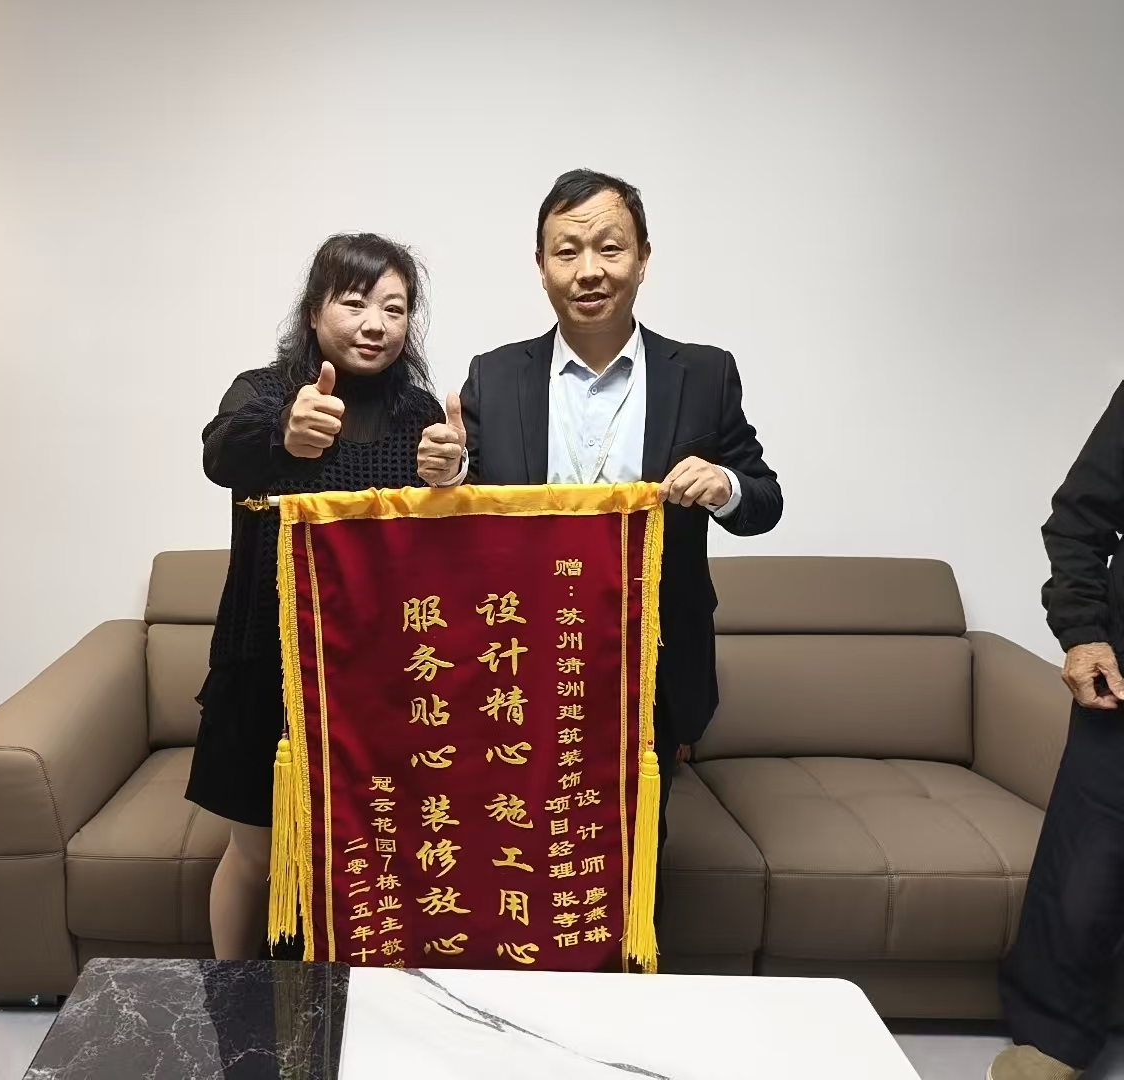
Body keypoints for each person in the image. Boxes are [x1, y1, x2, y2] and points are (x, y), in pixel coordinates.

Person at [416, 168, 782, 844]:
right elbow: (468, 508)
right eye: (567, 251)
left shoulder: (704, 374)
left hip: (651, 662)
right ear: (541, 266)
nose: (589, 270)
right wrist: (450, 473)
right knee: (516, 839)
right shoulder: (495, 375)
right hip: (520, 657)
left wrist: (725, 485)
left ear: (643, 259)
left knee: (635, 844)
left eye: (610, 248)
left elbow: (765, 499)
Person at [186, 233, 445, 960]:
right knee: (256, 853)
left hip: (381, 676)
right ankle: (232, 997)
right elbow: (220, 453)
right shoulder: (265, 393)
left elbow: (443, 545)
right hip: (266, 666)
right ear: (313, 311)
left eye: (394, 309)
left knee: (375, 851)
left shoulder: (419, 412)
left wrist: (453, 475)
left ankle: (362, 999)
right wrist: (284, 433)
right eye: (355, 303)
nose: (375, 324)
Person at [993, 383, 1124, 1080]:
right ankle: (1053, 1036)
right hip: (1123, 682)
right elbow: (1078, 520)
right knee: (1089, 866)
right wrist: (1084, 633)